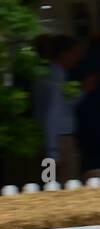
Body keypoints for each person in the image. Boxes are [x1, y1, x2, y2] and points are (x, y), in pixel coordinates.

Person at [35, 36, 83, 181]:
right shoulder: (54, 80)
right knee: (63, 188)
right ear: (65, 54)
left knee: (50, 183)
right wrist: (53, 153)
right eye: (75, 53)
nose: (77, 58)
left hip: (50, 141)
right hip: (59, 143)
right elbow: (52, 116)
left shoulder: (46, 76)